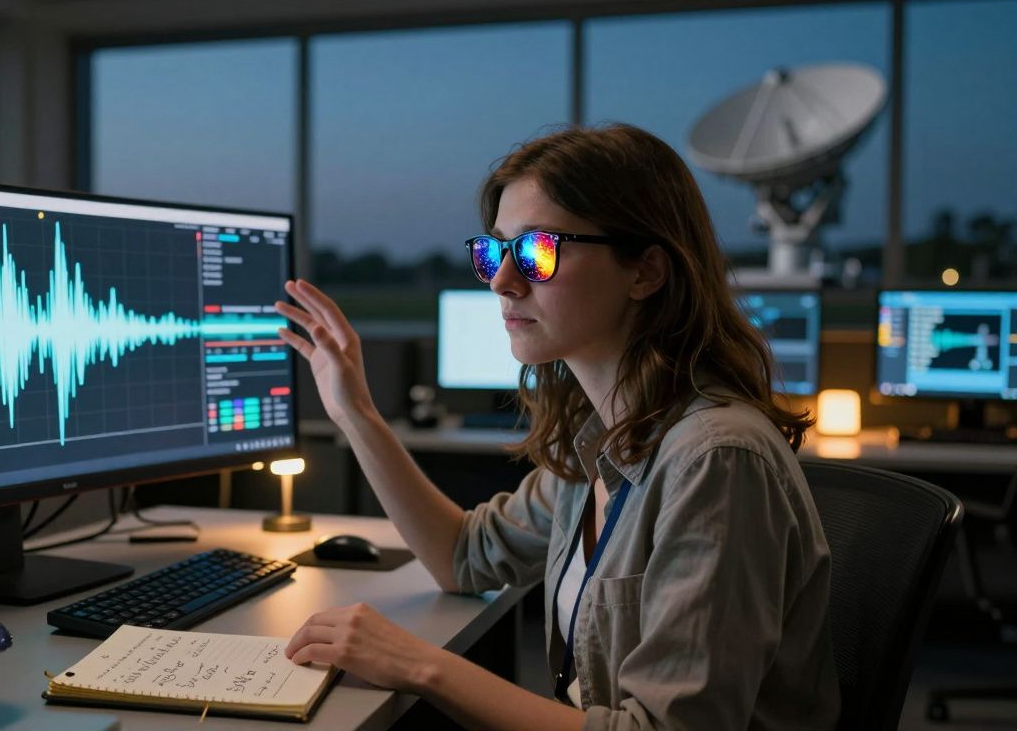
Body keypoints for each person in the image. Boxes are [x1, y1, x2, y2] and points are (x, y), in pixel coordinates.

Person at [276, 124, 839, 730]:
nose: (501, 282)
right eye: (496, 251)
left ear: (645, 271)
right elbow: (466, 557)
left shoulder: (715, 460)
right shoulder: (606, 438)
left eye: (538, 250)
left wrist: (423, 667)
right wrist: (354, 412)